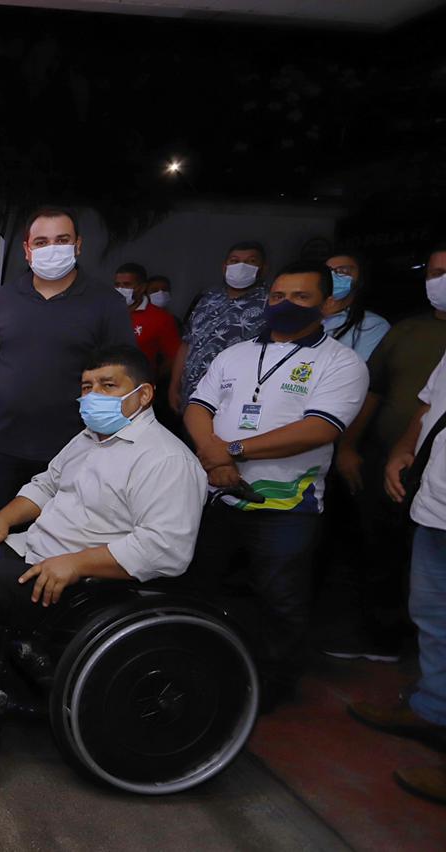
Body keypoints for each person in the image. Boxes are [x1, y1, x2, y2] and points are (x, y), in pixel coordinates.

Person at [0, 345, 207, 709]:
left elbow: (166, 548)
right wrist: (3, 518)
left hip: (87, 581)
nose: (93, 396)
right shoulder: (88, 439)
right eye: (87, 387)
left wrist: (77, 564)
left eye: (108, 385)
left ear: (144, 394)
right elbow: (45, 485)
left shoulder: (166, 460)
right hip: (38, 549)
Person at [184, 260, 368, 708]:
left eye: (301, 297)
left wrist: (233, 451)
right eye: (278, 296)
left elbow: (319, 429)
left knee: (280, 599)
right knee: (197, 586)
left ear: (326, 304)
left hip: (287, 506)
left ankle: (273, 686)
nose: (285, 305)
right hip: (217, 495)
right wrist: (214, 456)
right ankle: (192, 664)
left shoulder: (341, 363)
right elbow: (197, 407)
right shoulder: (235, 354)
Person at [0, 207, 135, 513]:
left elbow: (125, 371)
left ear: (78, 245)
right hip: (1, 447)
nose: (52, 249)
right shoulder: (2, 299)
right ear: (27, 250)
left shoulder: (105, 303)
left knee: (59, 540)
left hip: (74, 449)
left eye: (62, 240)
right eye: (42, 242)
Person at [321, 250, 444, 661]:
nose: (441, 280)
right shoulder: (407, 331)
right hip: (392, 460)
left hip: (437, 470)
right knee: (378, 548)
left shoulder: (373, 325)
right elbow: (374, 392)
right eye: (435, 273)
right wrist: (351, 447)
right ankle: (382, 638)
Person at [348, 348, 446, 804]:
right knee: (431, 616)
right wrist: (404, 448)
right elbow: (430, 405)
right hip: (437, 506)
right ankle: (433, 710)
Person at [169, 241, 270, 416]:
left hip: (232, 400)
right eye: (234, 260)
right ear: (224, 267)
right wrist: (174, 385)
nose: (241, 266)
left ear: (263, 268)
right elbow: (187, 344)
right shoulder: (208, 298)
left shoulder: (269, 303)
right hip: (191, 396)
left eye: (250, 261)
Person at [116, 262, 180, 380]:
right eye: (117, 285)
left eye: (127, 285)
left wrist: (151, 376)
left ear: (142, 287)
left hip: (140, 387)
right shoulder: (106, 312)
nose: (121, 289)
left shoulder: (161, 318)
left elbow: (174, 357)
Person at [322, 251, 390, 362]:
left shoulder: (372, 324)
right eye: (328, 272)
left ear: (360, 280)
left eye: (343, 271)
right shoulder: (305, 316)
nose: (333, 276)